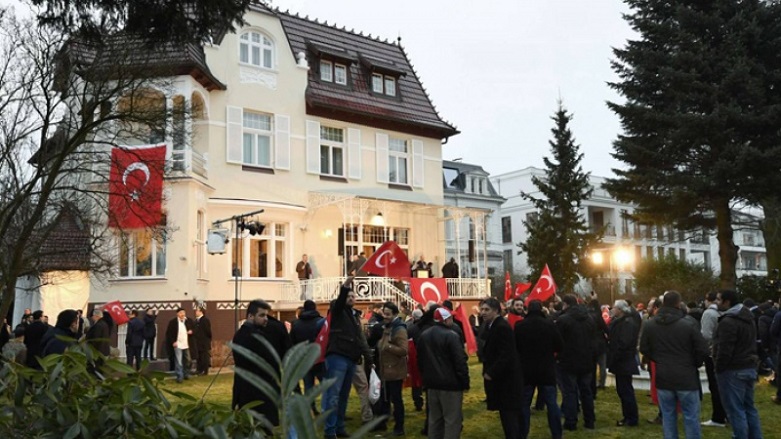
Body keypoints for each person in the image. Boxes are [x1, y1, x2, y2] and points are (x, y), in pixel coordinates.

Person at [640, 291, 708, 439]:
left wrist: (658, 359)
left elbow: (644, 348)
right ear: (678, 303)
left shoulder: (650, 324)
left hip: (664, 375)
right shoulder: (688, 324)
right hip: (686, 376)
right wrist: (694, 363)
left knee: (668, 417)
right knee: (690, 417)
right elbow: (703, 349)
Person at [232, 299, 291, 429]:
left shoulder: (257, 334)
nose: (266, 319)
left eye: (266, 315)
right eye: (262, 315)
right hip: (254, 393)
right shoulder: (246, 336)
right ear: (250, 316)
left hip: (262, 390)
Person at [713, 289, 763, 439]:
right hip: (748, 366)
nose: (716, 302)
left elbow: (725, 350)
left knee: (736, 410)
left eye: (718, 299)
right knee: (749, 408)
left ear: (727, 302)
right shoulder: (748, 318)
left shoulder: (728, 321)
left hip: (733, 369)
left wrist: (719, 367)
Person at [417, 307, 469, 439]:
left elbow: (420, 361)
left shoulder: (424, 335)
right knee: (452, 421)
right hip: (450, 385)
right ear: (446, 320)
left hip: (432, 384)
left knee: (434, 420)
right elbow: (460, 361)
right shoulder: (452, 335)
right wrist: (464, 382)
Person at [514, 299, 563, 439]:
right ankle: (556, 434)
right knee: (552, 404)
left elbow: (515, 347)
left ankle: (522, 433)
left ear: (527, 309)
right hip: (546, 369)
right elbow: (560, 346)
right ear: (541, 309)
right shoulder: (549, 325)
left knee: (524, 404)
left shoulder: (520, 326)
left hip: (526, 369)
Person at [322, 282, 365, 439]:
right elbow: (339, 301)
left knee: (343, 396)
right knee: (333, 395)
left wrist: (359, 354)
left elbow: (357, 338)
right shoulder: (338, 310)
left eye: (353, 296)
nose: (351, 298)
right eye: (348, 296)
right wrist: (345, 288)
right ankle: (330, 431)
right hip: (337, 357)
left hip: (350, 359)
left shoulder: (352, 315)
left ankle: (339, 427)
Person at [480, 297, 524, 439]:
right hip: (503, 380)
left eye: (487, 310)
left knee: (509, 417)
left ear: (496, 311)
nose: (483, 312)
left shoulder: (501, 327)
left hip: (507, 382)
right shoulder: (492, 325)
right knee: (507, 416)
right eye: (482, 309)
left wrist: (491, 372)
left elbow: (507, 354)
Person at [556, 294, 597, 431]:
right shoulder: (589, 319)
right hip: (586, 360)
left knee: (570, 392)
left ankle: (571, 421)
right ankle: (589, 421)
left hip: (568, 361)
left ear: (566, 304)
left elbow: (558, 341)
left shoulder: (563, 320)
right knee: (586, 392)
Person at [375, 302, 408, 436]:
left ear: (394, 314)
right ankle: (383, 424)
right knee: (385, 399)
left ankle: (399, 427)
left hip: (395, 371)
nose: (385, 316)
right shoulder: (387, 326)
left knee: (396, 400)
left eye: (388, 314)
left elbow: (403, 350)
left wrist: (387, 346)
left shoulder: (399, 329)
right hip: (386, 370)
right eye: (384, 313)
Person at [608, 300, 641, 427]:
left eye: (615, 308)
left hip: (623, 361)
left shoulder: (627, 323)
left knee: (626, 391)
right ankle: (628, 416)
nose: (613, 309)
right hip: (621, 361)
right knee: (623, 390)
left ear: (620, 310)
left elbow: (623, 343)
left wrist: (615, 355)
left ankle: (631, 418)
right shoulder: (621, 322)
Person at [290, 300, 326, 414]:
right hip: (319, 358)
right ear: (314, 308)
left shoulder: (296, 324)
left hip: (304, 358)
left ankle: (311, 408)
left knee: (308, 385)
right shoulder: (320, 322)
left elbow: (292, 342)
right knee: (325, 384)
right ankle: (327, 409)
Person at [700, 291, 727, 427]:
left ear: (708, 300)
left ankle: (718, 417)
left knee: (714, 386)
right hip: (723, 353)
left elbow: (705, 335)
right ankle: (726, 414)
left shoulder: (708, 314)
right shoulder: (723, 313)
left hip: (711, 353)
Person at [165, 308, 195, 383]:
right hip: (178, 344)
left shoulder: (188, 321)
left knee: (188, 360)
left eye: (184, 313)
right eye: (181, 313)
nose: (183, 314)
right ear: (177, 314)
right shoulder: (173, 322)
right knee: (179, 361)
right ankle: (179, 376)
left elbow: (193, 328)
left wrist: (191, 331)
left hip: (186, 344)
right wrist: (173, 342)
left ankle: (186, 373)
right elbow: (169, 333)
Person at [193, 307, 212, 375]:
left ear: (201, 312)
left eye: (197, 311)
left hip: (204, 343)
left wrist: (207, 340)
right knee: (199, 357)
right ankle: (199, 369)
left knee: (204, 357)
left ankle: (205, 370)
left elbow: (208, 332)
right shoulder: (196, 321)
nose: (196, 312)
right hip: (198, 342)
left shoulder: (205, 320)